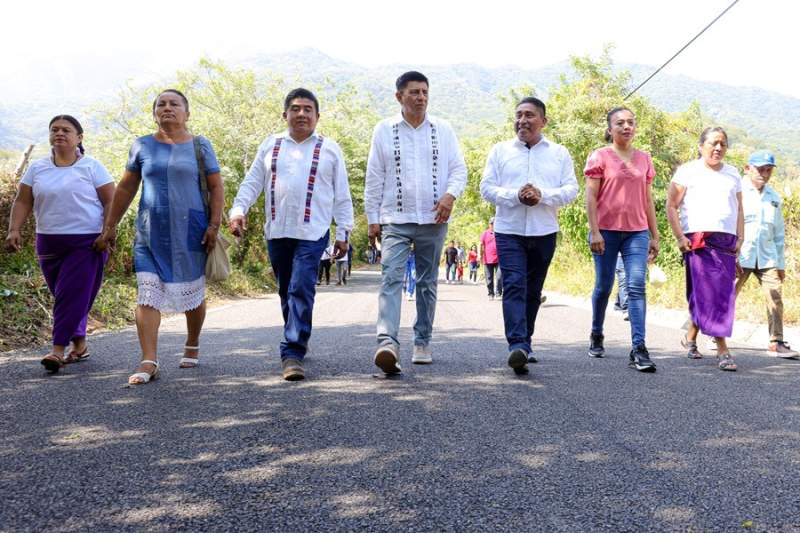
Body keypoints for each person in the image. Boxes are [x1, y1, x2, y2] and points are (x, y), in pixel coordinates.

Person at [96, 89, 224, 384]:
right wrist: (110, 225)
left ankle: (192, 342)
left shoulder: (201, 146)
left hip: (191, 231)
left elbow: (216, 187)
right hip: (150, 233)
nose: (167, 108)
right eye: (161, 104)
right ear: (154, 113)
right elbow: (126, 189)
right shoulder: (141, 146)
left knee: (193, 292)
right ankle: (148, 359)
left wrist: (214, 225)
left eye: (174, 104)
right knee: (147, 291)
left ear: (186, 113)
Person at [229, 88, 354, 381]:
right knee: (286, 289)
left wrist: (343, 231)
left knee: (301, 286)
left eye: (308, 109)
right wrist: (238, 210)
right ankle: (297, 334)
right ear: (285, 114)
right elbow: (252, 182)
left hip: (314, 231)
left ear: (317, 116)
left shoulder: (330, 149)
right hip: (277, 230)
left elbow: (342, 195)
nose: (301, 114)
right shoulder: (270, 145)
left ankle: (293, 351)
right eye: (295, 109)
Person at [365, 71, 467, 373]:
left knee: (426, 283)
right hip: (395, 219)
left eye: (424, 92)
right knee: (391, 279)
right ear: (399, 96)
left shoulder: (443, 129)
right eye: (414, 92)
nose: (420, 97)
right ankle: (387, 343)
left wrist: (450, 196)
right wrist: (373, 219)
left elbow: (458, 169)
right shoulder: (384, 130)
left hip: (434, 220)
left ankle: (422, 341)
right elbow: (374, 177)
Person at [5, 115, 115, 373]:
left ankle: (57, 350)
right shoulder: (38, 168)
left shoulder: (92, 167)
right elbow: (22, 201)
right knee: (65, 295)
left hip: (87, 242)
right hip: (49, 242)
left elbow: (112, 200)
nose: (60, 133)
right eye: (54, 129)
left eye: (66, 130)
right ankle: (80, 344)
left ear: (79, 137)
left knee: (69, 294)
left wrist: (107, 232)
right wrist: (14, 229)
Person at [480, 96, 578, 375]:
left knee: (533, 290)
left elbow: (571, 190)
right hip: (508, 230)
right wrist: (516, 196)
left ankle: (526, 342)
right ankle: (517, 345)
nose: (522, 120)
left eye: (529, 115)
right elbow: (486, 188)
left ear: (543, 121)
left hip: (544, 230)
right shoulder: (500, 151)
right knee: (513, 284)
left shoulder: (559, 153)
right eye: (519, 115)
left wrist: (542, 195)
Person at [584, 107, 660, 372]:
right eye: (620, 123)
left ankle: (638, 348)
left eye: (630, 122)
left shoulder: (644, 159)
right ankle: (596, 332)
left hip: (637, 232)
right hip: (605, 230)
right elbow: (591, 197)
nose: (626, 126)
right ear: (610, 129)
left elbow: (648, 199)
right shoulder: (600, 156)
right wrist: (594, 231)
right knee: (604, 286)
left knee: (636, 286)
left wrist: (655, 235)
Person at [666, 126, 744, 371]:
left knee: (713, 292)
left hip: (727, 241)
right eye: (713, 143)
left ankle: (690, 337)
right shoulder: (687, 171)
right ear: (701, 146)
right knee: (713, 293)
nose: (718, 148)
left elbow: (739, 208)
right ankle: (722, 348)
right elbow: (671, 205)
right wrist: (679, 237)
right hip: (698, 239)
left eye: (723, 143)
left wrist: (740, 237)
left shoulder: (733, 174)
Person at [736, 150, 797, 358]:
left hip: (768, 256)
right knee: (727, 295)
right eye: (760, 168)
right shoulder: (738, 191)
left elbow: (779, 234)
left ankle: (776, 341)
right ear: (748, 168)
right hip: (740, 255)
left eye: (768, 169)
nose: (764, 173)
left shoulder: (774, 197)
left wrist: (781, 264)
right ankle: (717, 335)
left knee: (775, 296)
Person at [480, 219, 502, 299]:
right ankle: (490, 293)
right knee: (489, 278)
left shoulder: (500, 233)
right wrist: (480, 256)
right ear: (489, 224)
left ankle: (498, 293)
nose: (493, 225)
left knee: (499, 277)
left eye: (495, 223)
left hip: (499, 259)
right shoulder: (485, 233)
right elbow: (481, 245)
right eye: (492, 224)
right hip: (487, 259)